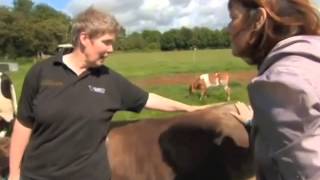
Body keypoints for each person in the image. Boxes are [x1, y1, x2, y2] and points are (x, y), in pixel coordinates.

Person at [8, 7, 212, 180]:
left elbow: (149, 99)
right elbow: (24, 123)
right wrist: (14, 173)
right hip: (37, 175)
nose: (112, 49)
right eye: (106, 42)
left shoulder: (110, 80)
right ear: (84, 38)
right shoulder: (42, 71)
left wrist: (191, 108)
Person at [228, 0, 320, 179]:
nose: (228, 29)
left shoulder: (284, 83)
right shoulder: (310, 61)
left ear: (259, 20)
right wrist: (256, 123)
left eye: (233, 18)